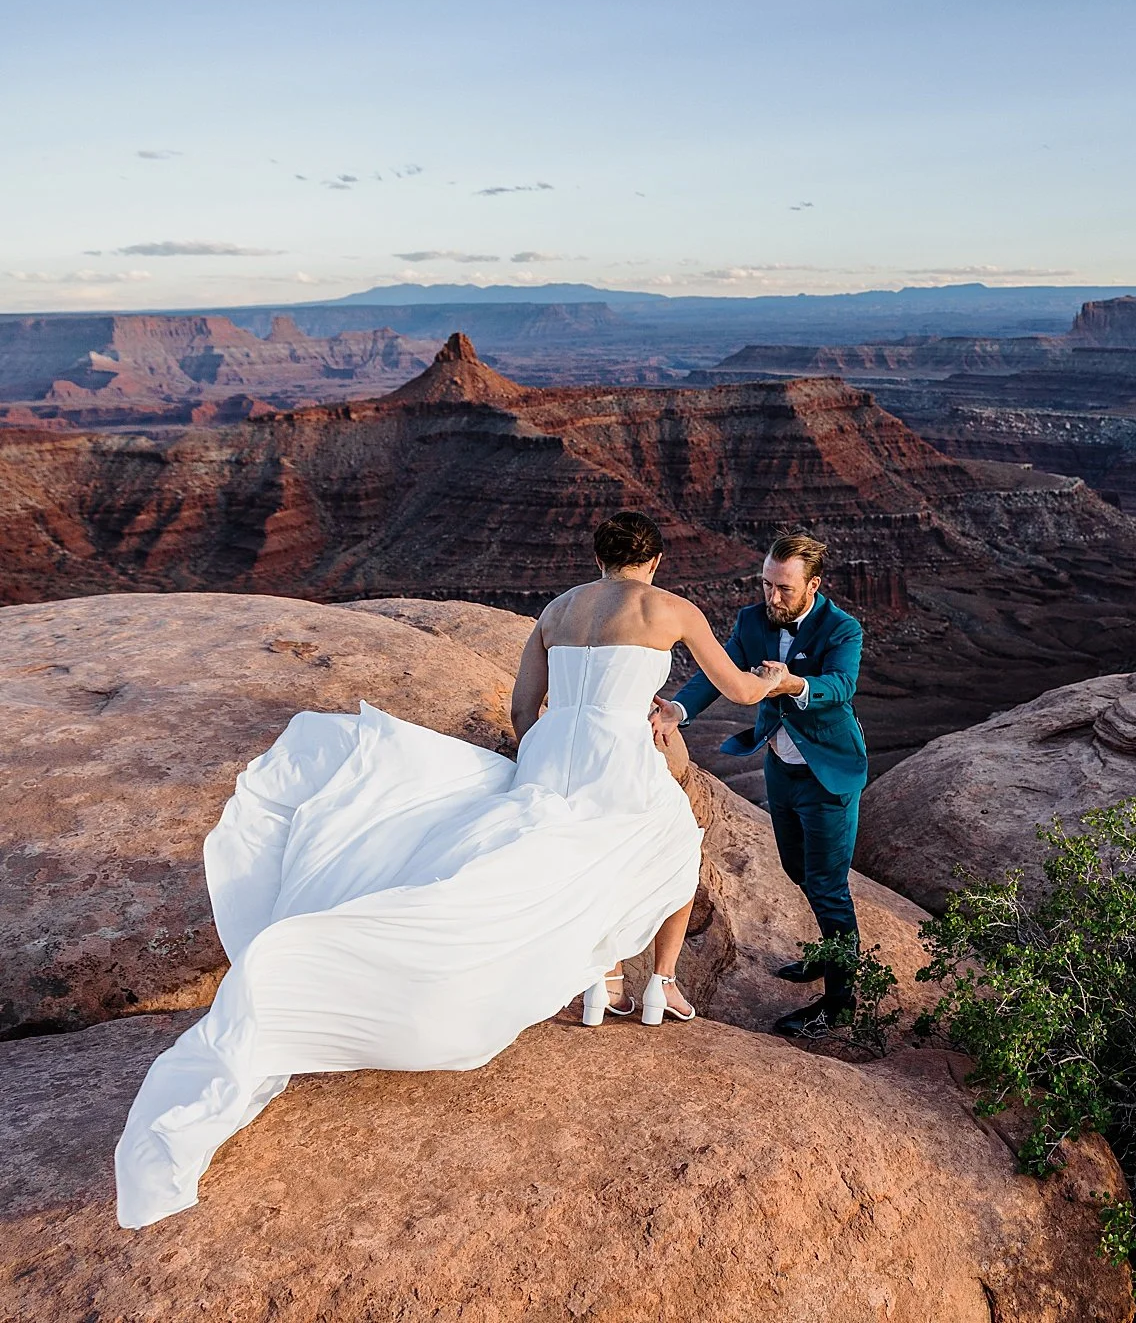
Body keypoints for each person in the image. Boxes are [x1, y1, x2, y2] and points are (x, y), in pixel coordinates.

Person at [113, 511, 784, 1229]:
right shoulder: (671, 608)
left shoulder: (558, 610)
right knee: (668, 842)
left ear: (598, 558)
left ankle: (600, 982)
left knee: (555, 852)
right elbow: (738, 692)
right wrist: (774, 680)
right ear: (652, 560)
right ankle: (658, 986)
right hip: (620, 747)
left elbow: (525, 706)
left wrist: (543, 752)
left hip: (555, 746)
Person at [664, 532, 868, 1039]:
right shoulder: (752, 621)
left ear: (812, 585)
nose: (771, 598)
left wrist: (790, 683)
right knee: (798, 870)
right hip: (780, 767)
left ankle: (839, 1003)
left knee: (828, 885)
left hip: (828, 774)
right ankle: (825, 953)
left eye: (784, 589)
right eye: (765, 585)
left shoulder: (842, 629)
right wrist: (679, 710)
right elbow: (719, 670)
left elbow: (841, 686)